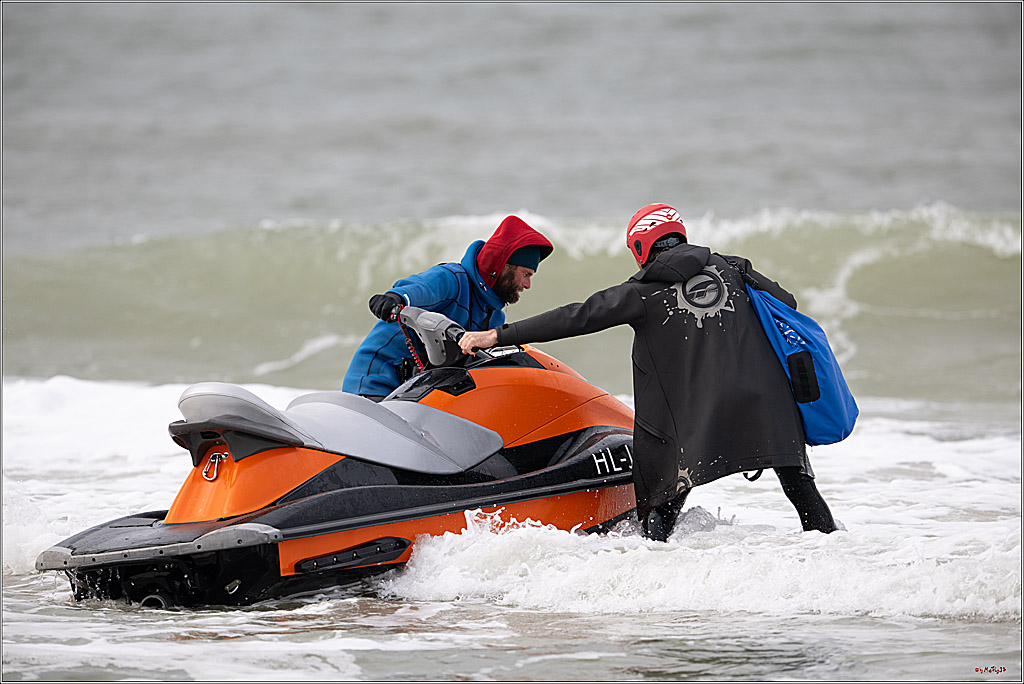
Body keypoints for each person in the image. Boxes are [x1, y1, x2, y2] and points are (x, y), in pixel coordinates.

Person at [459, 203, 838, 540]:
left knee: (663, 507)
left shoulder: (641, 291)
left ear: (641, 247)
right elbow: (786, 304)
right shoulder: (735, 268)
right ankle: (838, 565)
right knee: (802, 493)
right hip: (769, 408)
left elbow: (577, 316)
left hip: (698, 422)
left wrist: (498, 335)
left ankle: (651, 578)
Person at [343, 215, 553, 400]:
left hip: (414, 397)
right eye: (526, 274)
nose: (527, 285)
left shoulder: (495, 316)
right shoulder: (452, 279)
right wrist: (394, 298)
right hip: (372, 388)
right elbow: (418, 289)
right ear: (503, 266)